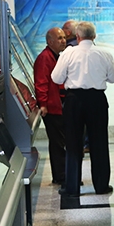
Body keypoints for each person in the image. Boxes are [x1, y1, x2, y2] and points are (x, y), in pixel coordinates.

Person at [52, 22, 114, 196]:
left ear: (78, 37)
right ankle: (101, 185)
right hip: (97, 100)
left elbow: (56, 78)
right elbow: (113, 78)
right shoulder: (105, 54)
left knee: (73, 143)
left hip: (74, 100)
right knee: (99, 142)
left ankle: (72, 187)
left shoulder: (68, 53)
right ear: (94, 36)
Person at [34, 27, 68, 185]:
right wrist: (43, 104)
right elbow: (41, 83)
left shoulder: (56, 56)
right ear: (50, 41)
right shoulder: (44, 58)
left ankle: (63, 173)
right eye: (59, 38)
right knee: (57, 143)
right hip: (52, 108)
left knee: (60, 142)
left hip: (58, 106)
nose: (63, 41)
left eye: (64, 37)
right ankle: (60, 176)